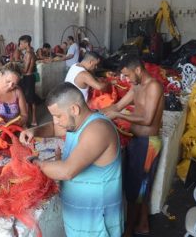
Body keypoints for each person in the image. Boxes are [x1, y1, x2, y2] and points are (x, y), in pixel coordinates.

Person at [19, 82, 123, 236]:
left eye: (58, 116)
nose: (55, 120)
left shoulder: (98, 129)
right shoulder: (75, 123)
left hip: (97, 223)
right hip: (81, 221)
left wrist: (35, 163)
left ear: (74, 109)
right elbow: (54, 128)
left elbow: (67, 171)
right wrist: (34, 131)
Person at [102, 55, 164, 237]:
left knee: (137, 190)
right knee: (140, 187)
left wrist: (119, 116)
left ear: (138, 69)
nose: (126, 80)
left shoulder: (154, 86)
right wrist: (96, 114)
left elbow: (147, 119)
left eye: (127, 75)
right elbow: (117, 106)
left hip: (149, 144)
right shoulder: (136, 86)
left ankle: (128, 230)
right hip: (137, 142)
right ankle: (143, 224)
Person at [18, 35, 38, 127]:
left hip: (27, 78)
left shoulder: (28, 54)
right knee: (32, 100)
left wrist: (17, 68)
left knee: (26, 101)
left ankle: (25, 123)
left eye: (21, 43)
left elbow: (25, 70)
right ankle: (34, 120)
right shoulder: (32, 52)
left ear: (26, 43)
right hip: (31, 77)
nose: (20, 45)